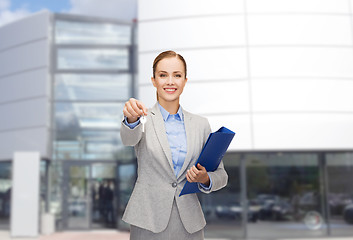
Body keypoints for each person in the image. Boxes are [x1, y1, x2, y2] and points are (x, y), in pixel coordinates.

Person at [121, 50, 228, 240]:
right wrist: (131, 119)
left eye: (177, 75)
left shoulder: (200, 124)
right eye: (163, 75)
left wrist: (205, 179)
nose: (170, 81)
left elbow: (221, 175)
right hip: (147, 220)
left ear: (185, 81)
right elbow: (129, 140)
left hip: (189, 223)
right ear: (153, 80)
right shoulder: (141, 117)